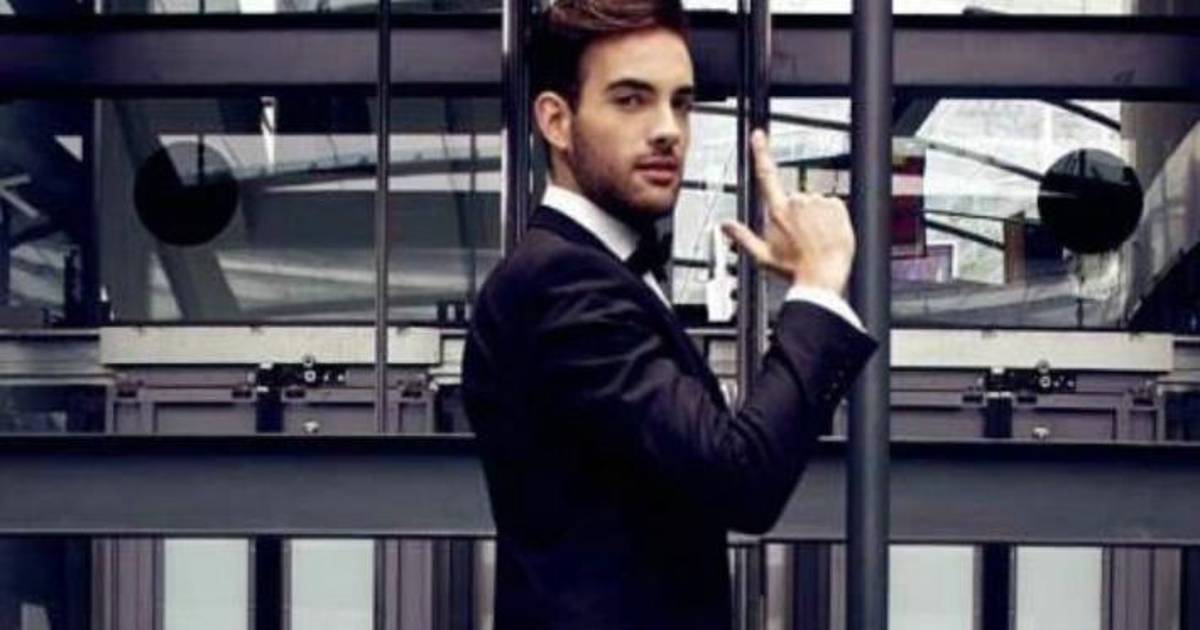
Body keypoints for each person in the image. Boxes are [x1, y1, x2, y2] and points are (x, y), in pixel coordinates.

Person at [462, 1, 877, 627]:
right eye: (632, 100)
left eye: (681, 103)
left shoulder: (597, 272)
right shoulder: (562, 281)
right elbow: (740, 478)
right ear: (556, 120)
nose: (668, 130)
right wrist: (818, 286)